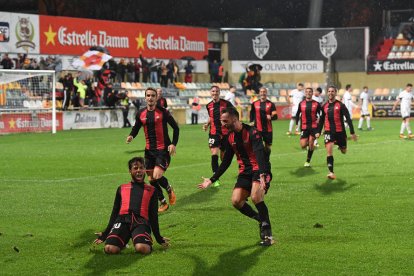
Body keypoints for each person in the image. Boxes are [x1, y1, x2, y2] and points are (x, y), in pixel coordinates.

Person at [198, 107, 274, 246]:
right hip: (244, 172)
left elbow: (259, 154)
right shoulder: (229, 137)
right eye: (221, 122)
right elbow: (226, 161)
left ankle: (268, 235)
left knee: (256, 196)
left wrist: (263, 174)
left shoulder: (252, 132)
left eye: (225, 121)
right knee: (236, 201)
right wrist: (212, 179)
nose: (223, 124)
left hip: (260, 169)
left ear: (235, 119)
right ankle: (260, 218)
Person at [93, 157, 170, 254]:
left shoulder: (152, 190)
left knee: (142, 249)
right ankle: (123, 242)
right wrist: (105, 234)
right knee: (109, 249)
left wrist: (158, 238)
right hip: (122, 221)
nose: (139, 170)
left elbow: (153, 216)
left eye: (141, 168)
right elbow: (114, 213)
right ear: (130, 171)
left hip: (141, 222)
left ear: (145, 170)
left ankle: (143, 242)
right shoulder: (121, 188)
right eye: (135, 168)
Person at [126, 88, 179, 212]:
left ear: (156, 98)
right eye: (148, 95)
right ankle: (163, 202)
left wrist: (173, 144)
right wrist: (131, 136)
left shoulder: (163, 112)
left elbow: (176, 128)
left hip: (162, 150)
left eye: (152, 96)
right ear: (145, 97)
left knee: (156, 175)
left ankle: (169, 189)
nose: (150, 98)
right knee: (151, 179)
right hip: (149, 151)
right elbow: (136, 127)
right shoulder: (141, 113)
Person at [316, 86, 357, 179]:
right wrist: (318, 131)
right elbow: (322, 120)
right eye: (329, 91)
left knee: (344, 151)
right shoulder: (324, 106)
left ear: (336, 93)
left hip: (340, 132)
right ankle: (331, 172)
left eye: (332, 91)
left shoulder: (341, 105)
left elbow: (348, 119)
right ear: (327, 93)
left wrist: (352, 132)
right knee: (329, 152)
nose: (330, 93)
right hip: (328, 132)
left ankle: (341, 145)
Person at [203, 85, 234, 187]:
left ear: (219, 92)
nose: (215, 93)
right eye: (213, 91)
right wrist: (207, 124)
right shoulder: (208, 106)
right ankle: (215, 179)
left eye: (216, 91)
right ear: (210, 93)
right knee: (214, 153)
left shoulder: (226, 104)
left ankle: (219, 172)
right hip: (214, 133)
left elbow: (234, 114)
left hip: (226, 134)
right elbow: (211, 117)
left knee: (223, 157)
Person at [249, 87, 277, 167]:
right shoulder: (254, 104)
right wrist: (251, 122)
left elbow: (275, 116)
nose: (262, 93)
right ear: (259, 93)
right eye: (261, 92)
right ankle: (259, 162)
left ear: (266, 93)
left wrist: (271, 117)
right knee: (258, 147)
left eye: (264, 92)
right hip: (257, 129)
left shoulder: (271, 104)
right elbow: (252, 114)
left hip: (268, 130)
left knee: (267, 147)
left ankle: (266, 160)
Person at [295, 87, 322, 167]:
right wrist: (297, 125)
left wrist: (319, 123)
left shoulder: (316, 104)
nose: (308, 93)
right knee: (303, 145)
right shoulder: (301, 103)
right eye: (307, 92)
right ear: (305, 93)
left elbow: (322, 114)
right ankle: (311, 147)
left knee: (311, 142)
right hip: (304, 127)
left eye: (310, 92)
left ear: (312, 93)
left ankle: (308, 161)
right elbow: (297, 114)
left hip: (314, 127)